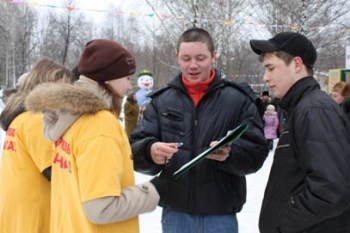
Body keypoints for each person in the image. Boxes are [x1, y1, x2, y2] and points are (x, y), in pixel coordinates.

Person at [130, 27, 268, 233]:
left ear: (213, 57)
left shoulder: (237, 99)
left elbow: (257, 152)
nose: (193, 65)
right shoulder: (161, 101)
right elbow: (135, 149)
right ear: (177, 57)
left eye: (200, 58)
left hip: (220, 213)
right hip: (175, 213)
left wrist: (230, 154)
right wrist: (150, 151)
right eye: (186, 58)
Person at [25, 39, 161, 233]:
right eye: (127, 79)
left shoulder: (70, 118)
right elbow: (101, 208)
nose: (129, 87)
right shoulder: (100, 125)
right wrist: (155, 191)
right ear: (108, 78)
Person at [250, 31, 350, 233]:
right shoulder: (303, 108)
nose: (265, 77)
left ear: (296, 64)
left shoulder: (314, 110)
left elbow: (330, 189)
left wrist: (282, 224)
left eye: (271, 68)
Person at [0, 58, 73, 233]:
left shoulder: (21, 118)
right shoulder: (36, 121)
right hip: (35, 214)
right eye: (62, 88)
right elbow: (56, 172)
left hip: (18, 210)